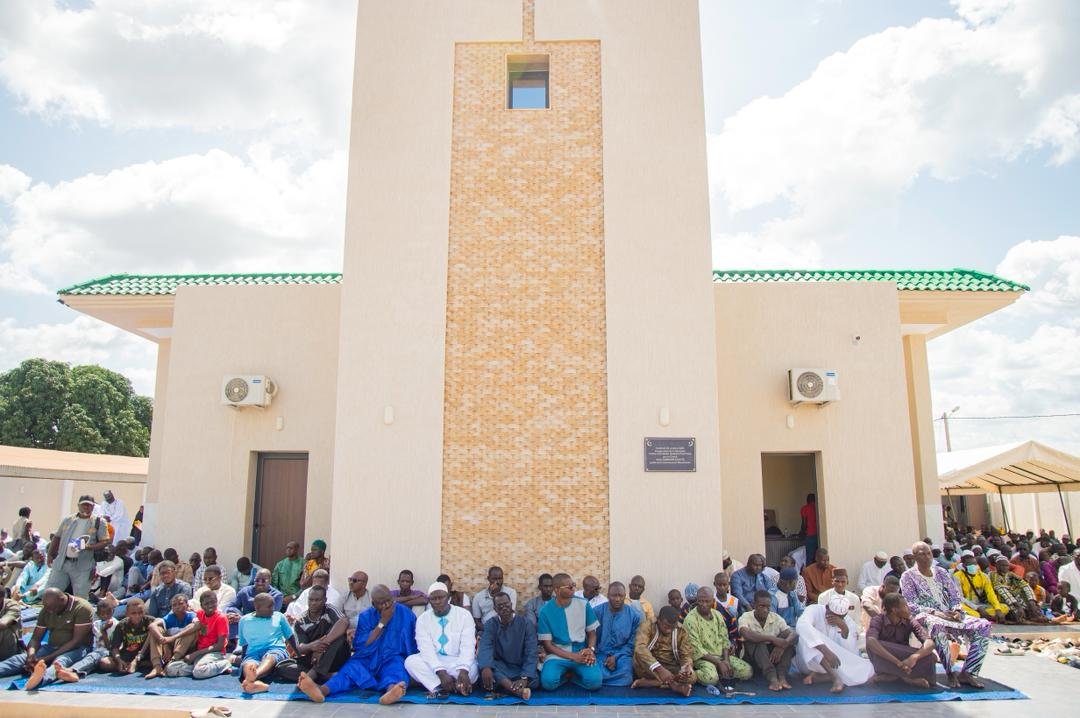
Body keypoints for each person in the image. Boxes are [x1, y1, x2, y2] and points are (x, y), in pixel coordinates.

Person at [296, 584, 416, 705]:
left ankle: (391, 692)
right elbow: (363, 645)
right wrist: (382, 622)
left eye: (389, 601)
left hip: (392, 657)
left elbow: (412, 643)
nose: (387, 605)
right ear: (373, 604)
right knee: (349, 670)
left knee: (396, 669)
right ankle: (321, 691)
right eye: (381, 603)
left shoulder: (406, 614)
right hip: (367, 658)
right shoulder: (366, 616)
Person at [900, 541, 990, 688]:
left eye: (929, 553)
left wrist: (957, 611)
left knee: (983, 625)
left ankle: (968, 672)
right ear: (915, 557)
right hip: (927, 615)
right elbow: (910, 604)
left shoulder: (941, 572)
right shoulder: (908, 576)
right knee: (937, 626)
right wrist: (936, 613)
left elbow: (955, 596)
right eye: (922, 554)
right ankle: (950, 672)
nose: (927, 557)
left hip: (950, 615)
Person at [0, 587, 93, 689]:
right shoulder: (48, 609)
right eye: (48, 609)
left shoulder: (82, 608)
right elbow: (36, 638)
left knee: (59, 662)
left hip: (77, 649)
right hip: (51, 647)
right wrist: (31, 654)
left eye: (53, 609)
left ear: (62, 600)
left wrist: (46, 658)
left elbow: (76, 641)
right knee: (18, 659)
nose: (51, 612)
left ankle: (39, 679)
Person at [404, 581, 478, 696]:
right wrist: (441, 672)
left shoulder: (464, 615)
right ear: (429, 600)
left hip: (457, 662)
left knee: (473, 671)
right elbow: (426, 649)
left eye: (441, 597)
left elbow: (468, 646)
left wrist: (463, 671)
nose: (437, 602)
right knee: (410, 662)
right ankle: (442, 687)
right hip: (435, 661)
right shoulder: (423, 619)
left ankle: (450, 683)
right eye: (433, 599)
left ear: (448, 597)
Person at [537, 573, 602, 690]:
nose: (573, 589)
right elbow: (548, 645)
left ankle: (572, 677)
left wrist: (590, 650)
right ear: (556, 590)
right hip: (557, 654)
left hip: (581, 652)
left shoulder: (583, 604)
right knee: (548, 683)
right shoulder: (545, 611)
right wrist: (572, 657)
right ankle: (566, 676)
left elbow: (592, 634)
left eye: (574, 585)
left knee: (595, 682)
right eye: (570, 587)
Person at [794, 598, 873, 693]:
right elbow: (801, 625)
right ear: (826, 607)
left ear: (844, 615)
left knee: (864, 669)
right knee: (806, 638)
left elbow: (851, 652)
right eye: (831, 615)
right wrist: (825, 651)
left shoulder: (848, 622)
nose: (833, 618)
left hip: (835, 664)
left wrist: (845, 630)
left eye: (838, 617)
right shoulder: (814, 610)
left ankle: (824, 677)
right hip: (808, 662)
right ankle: (835, 678)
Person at [684, 586, 751, 690]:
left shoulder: (718, 615)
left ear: (713, 601)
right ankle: (694, 673)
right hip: (703, 658)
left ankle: (720, 671)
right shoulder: (691, 619)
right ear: (697, 601)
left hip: (721, 656)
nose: (704, 604)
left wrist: (726, 660)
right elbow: (696, 648)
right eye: (701, 601)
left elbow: (725, 639)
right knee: (711, 679)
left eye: (707, 601)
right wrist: (719, 663)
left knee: (747, 671)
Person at [866, 592, 937, 688]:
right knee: (874, 645)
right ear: (894, 610)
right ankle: (906, 678)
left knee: (931, 657)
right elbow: (871, 641)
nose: (908, 608)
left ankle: (894, 676)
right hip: (886, 659)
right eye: (905, 606)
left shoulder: (910, 620)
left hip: (905, 658)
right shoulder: (878, 619)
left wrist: (914, 657)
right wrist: (898, 663)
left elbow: (930, 643)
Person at [46, 495, 111, 599]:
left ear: (93, 507)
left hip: (83, 565)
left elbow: (105, 541)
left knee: (80, 597)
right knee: (51, 592)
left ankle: (79, 615)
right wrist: (50, 554)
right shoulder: (68, 520)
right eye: (84, 505)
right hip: (63, 561)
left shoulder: (99, 522)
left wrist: (88, 547)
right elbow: (57, 537)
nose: (86, 507)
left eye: (89, 505)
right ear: (78, 506)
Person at [478, 591, 537, 699]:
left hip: (520, 668)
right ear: (495, 609)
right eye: (500, 606)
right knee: (487, 673)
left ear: (511, 604)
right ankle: (518, 691)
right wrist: (486, 667)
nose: (504, 608)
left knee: (536, 680)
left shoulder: (526, 623)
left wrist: (524, 677)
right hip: (501, 667)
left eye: (506, 605)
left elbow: (531, 651)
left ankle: (507, 689)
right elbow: (485, 647)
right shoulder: (491, 624)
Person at [237, 592, 298, 693]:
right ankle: (255, 684)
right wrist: (244, 660)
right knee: (249, 664)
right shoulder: (244, 620)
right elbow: (244, 644)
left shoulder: (279, 616)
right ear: (257, 608)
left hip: (275, 650)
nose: (273, 609)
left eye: (273, 606)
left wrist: (298, 653)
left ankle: (253, 677)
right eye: (269, 607)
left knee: (270, 657)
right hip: (253, 653)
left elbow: (290, 637)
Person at [164, 590, 232, 679]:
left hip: (214, 652)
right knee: (170, 669)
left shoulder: (221, 618)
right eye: (206, 603)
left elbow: (220, 645)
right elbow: (193, 625)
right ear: (201, 606)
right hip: (200, 653)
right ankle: (201, 667)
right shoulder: (200, 614)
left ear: (217, 602)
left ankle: (224, 664)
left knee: (198, 672)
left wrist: (194, 654)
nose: (210, 605)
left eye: (213, 602)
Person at [631, 605, 695, 696]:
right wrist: (660, 669)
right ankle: (674, 685)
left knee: (692, 677)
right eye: (666, 626)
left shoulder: (681, 631)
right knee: (639, 656)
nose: (669, 630)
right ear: (658, 621)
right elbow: (640, 648)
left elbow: (686, 654)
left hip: (670, 667)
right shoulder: (647, 625)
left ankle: (653, 682)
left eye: (672, 627)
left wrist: (687, 667)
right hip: (650, 667)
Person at [293, 585, 350, 684]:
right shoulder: (300, 621)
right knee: (282, 666)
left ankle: (313, 675)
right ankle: (326, 676)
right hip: (313, 659)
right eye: (311, 600)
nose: (313, 603)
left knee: (339, 638)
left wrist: (323, 644)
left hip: (334, 657)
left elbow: (344, 621)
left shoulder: (329, 610)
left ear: (325, 600)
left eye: (317, 600)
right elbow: (300, 648)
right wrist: (313, 646)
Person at [51, 597, 116, 683]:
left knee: (92, 657)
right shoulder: (96, 624)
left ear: (113, 612)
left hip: (109, 651)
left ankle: (71, 670)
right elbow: (95, 638)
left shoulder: (116, 624)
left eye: (108, 613)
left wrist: (104, 631)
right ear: (98, 614)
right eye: (102, 614)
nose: (106, 616)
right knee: (90, 661)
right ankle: (75, 675)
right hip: (97, 650)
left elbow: (110, 646)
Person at [593, 581, 640, 686]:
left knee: (627, 676)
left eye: (620, 596)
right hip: (601, 653)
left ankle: (605, 681)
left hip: (622, 655)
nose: (617, 599)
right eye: (614, 595)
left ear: (625, 596)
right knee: (595, 675)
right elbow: (590, 637)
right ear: (608, 595)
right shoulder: (596, 612)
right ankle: (604, 678)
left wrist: (616, 656)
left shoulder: (634, 616)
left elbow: (632, 644)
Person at [144, 593, 197, 678]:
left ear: (187, 605)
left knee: (191, 628)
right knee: (156, 628)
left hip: (186, 650)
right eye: (174, 605)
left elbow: (197, 625)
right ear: (171, 608)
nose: (177, 606)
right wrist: (164, 642)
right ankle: (157, 666)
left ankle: (172, 662)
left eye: (180, 603)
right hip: (171, 647)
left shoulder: (191, 615)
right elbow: (152, 626)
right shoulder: (170, 617)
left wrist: (173, 638)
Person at [101, 597, 154, 675]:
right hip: (128, 654)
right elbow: (115, 647)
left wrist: (136, 660)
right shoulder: (122, 625)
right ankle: (129, 665)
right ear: (127, 614)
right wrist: (119, 661)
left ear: (145, 611)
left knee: (159, 661)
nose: (137, 616)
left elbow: (162, 623)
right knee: (104, 663)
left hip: (146, 655)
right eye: (133, 613)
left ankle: (138, 663)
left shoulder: (150, 621)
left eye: (140, 612)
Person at [225, 568, 283, 640]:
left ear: (270, 581)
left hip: (264, 626)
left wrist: (243, 619)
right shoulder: (245, 591)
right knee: (232, 617)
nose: (259, 583)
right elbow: (230, 606)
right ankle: (233, 643)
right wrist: (233, 614)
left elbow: (268, 616)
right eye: (257, 580)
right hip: (243, 624)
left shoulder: (277, 596)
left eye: (263, 581)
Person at [953, 554, 1007, 622]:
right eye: (969, 564)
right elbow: (959, 597)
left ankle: (980, 616)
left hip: (981, 605)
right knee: (960, 607)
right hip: (967, 605)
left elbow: (991, 594)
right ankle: (982, 616)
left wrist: (998, 609)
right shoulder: (957, 576)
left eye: (975, 564)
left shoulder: (984, 576)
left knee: (1004, 607)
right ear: (964, 565)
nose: (973, 566)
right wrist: (977, 608)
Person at [990, 556, 1044, 623]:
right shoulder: (993, 575)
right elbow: (1001, 590)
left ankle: (1033, 614)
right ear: (996, 566)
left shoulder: (1010, 574)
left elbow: (1024, 584)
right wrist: (1016, 604)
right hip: (1000, 600)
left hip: (1013, 598)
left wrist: (1031, 600)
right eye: (1002, 565)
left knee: (1024, 592)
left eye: (1007, 566)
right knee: (1014, 609)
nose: (1005, 568)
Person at [272, 541, 304, 605]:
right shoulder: (280, 564)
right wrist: (279, 597)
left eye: (291, 548)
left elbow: (306, 586)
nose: (288, 550)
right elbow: (274, 584)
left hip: (297, 600)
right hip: (281, 600)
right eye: (287, 548)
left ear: (297, 550)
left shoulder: (304, 564)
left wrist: (294, 597)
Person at [0, 591, 25, 662]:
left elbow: (2, 624)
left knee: (4, 630)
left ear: (1, 598)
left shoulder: (13, 605)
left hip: (9, 645)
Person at [799, 493, 818, 560]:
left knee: (809, 557)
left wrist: (801, 532)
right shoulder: (818, 507)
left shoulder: (805, 508)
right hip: (819, 535)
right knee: (817, 557)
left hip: (809, 535)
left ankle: (808, 570)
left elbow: (804, 523)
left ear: (807, 500)